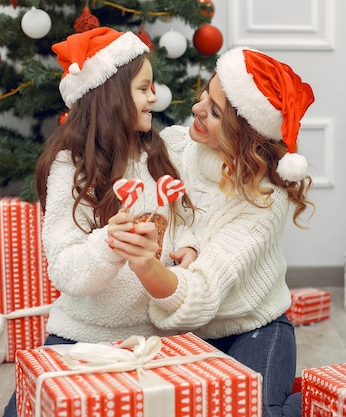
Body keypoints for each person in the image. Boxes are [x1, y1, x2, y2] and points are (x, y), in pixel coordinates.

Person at [109, 46, 315, 417]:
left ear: (244, 135)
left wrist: (146, 266)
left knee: (256, 413)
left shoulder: (263, 201)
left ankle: (333, 402)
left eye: (215, 111)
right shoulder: (174, 145)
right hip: (185, 335)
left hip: (253, 328)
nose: (197, 108)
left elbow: (201, 293)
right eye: (206, 93)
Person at [2, 27, 196, 417]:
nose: (154, 97)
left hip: (160, 339)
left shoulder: (162, 154)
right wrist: (110, 243)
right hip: (84, 338)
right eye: (143, 89)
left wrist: (190, 245)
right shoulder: (68, 169)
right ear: (110, 96)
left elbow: (189, 214)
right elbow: (67, 271)